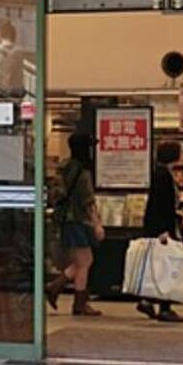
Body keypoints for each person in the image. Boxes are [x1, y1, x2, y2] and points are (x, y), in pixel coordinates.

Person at [46, 132, 102, 317]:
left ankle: (56, 286)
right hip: (79, 220)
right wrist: (97, 224)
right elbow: (88, 201)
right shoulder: (83, 172)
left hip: (67, 219)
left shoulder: (66, 168)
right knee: (85, 261)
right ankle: (79, 302)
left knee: (82, 261)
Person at [137, 142, 183, 323]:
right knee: (167, 266)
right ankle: (165, 308)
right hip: (163, 229)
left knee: (157, 265)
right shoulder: (163, 175)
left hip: (159, 226)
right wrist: (164, 229)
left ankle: (146, 300)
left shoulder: (160, 173)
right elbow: (163, 204)